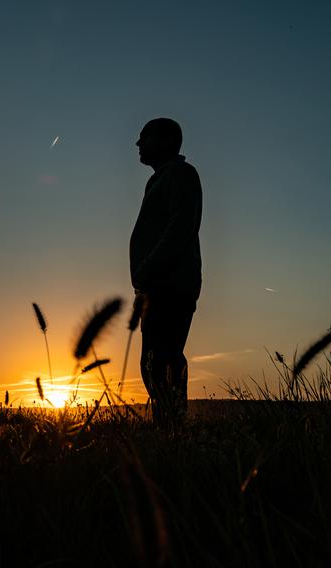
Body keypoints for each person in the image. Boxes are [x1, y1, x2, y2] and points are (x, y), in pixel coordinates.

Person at [130, 118, 202, 427]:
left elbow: (181, 227)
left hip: (170, 284)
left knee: (163, 361)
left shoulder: (181, 175)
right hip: (155, 286)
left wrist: (149, 267)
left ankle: (173, 431)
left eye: (144, 137)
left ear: (165, 140)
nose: (138, 144)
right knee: (153, 364)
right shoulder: (161, 179)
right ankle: (168, 427)